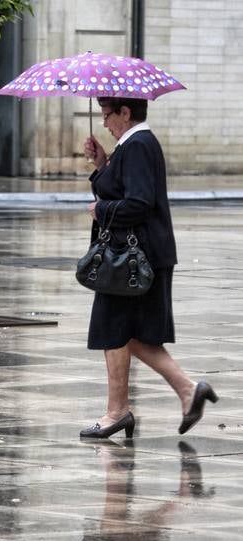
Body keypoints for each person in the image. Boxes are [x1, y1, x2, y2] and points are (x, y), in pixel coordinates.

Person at [80, 96, 218, 439]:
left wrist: (102, 212)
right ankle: (184, 393)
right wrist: (101, 165)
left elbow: (139, 203)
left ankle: (123, 410)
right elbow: (121, 189)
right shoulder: (132, 145)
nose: (104, 122)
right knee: (125, 333)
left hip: (134, 259)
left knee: (118, 332)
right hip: (136, 256)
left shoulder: (139, 144)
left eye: (107, 114)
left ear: (126, 113)